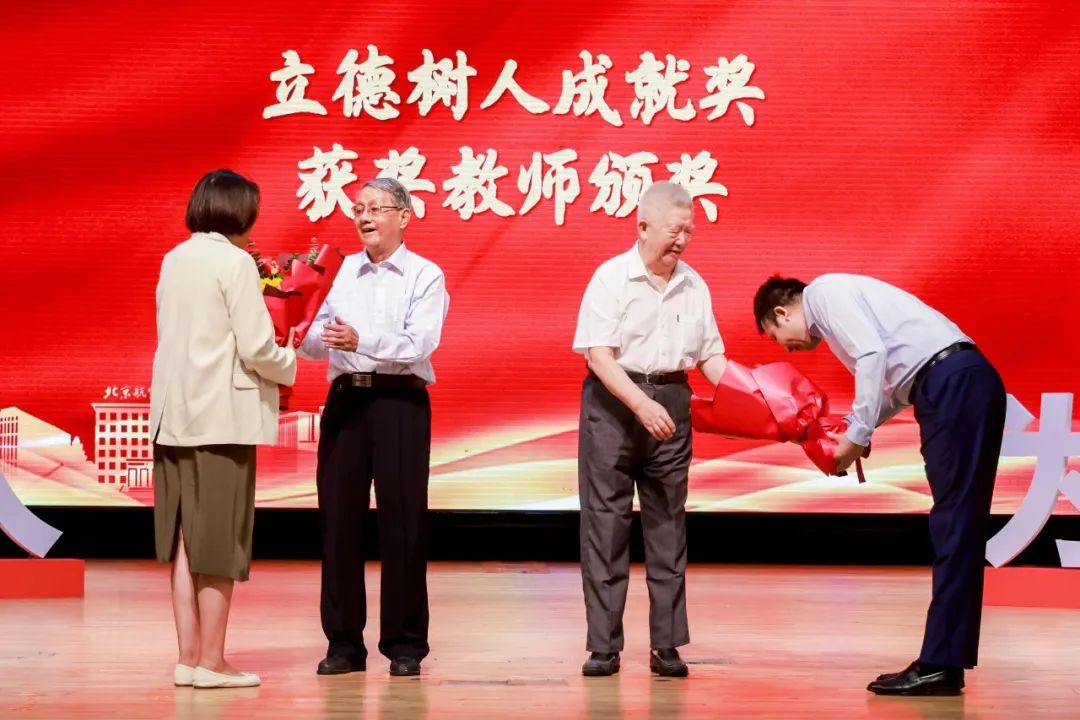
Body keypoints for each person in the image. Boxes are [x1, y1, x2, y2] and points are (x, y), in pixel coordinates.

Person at [753, 273, 1006, 696]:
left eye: (777, 337)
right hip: (951, 385)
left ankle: (941, 664)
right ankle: (945, 663)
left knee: (955, 525)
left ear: (781, 312)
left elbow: (872, 355)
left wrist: (857, 435)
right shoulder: (835, 310)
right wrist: (854, 430)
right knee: (957, 526)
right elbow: (895, 388)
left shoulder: (824, 294)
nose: (786, 348)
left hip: (953, 385)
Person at [573, 181, 728, 677]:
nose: (682, 240)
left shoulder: (694, 284)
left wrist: (754, 398)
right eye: (674, 230)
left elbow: (710, 356)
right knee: (605, 525)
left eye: (689, 232)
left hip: (672, 400)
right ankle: (604, 645)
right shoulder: (610, 278)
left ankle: (667, 644)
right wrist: (641, 405)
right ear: (643, 227)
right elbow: (599, 355)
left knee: (668, 526)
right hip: (615, 404)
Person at [151, 169, 297, 689]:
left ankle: (188, 657)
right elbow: (256, 347)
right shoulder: (234, 263)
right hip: (218, 420)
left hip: (173, 418)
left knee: (186, 541)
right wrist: (289, 360)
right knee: (220, 541)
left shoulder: (174, 258)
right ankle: (212, 661)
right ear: (241, 211)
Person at [300, 177, 449, 678]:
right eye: (358, 208)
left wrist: (360, 339)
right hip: (347, 399)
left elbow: (420, 343)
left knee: (403, 523)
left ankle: (405, 644)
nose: (364, 217)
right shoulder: (339, 273)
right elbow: (318, 343)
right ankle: (344, 643)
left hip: (400, 401)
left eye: (375, 208)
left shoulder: (425, 274)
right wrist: (295, 327)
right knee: (339, 523)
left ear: (404, 216)